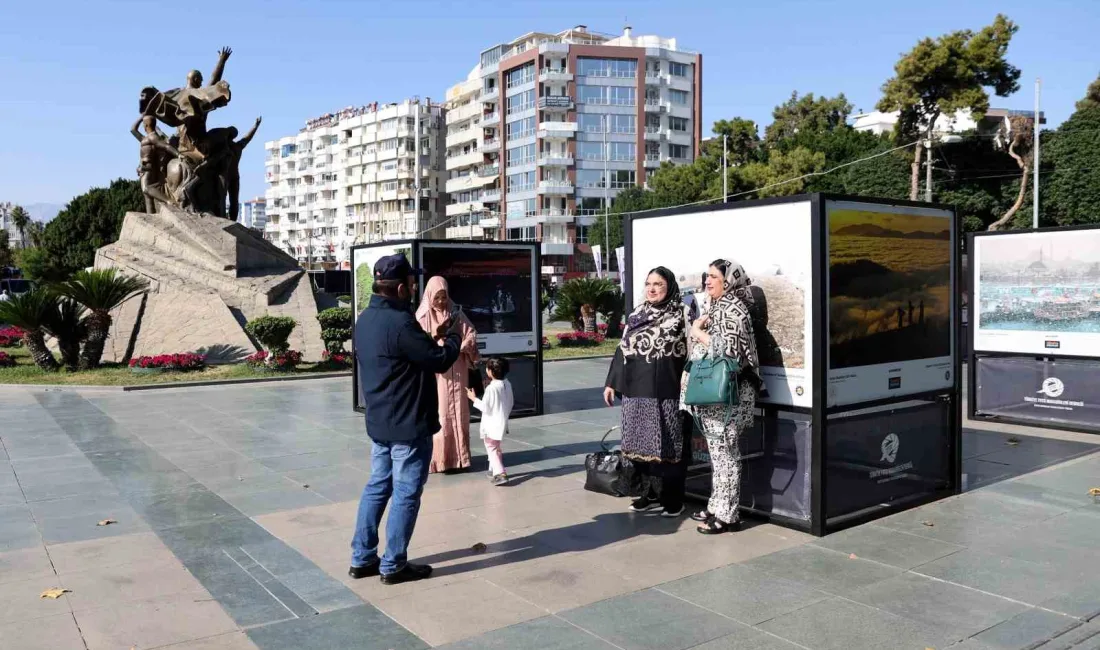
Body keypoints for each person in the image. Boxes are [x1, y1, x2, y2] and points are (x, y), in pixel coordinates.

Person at [349, 253, 461, 585]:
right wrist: (453, 337)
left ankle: (362, 558)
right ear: (400, 289)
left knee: (376, 487)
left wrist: (434, 335)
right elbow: (438, 361)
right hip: (408, 425)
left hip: (380, 422)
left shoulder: (365, 319)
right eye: (412, 284)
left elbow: (404, 355)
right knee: (406, 492)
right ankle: (394, 564)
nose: (414, 289)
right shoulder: (401, 323)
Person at [683, 259, 762, 534]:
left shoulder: (733, 309)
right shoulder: (719, 307)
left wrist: (696, 331)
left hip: (731, 395)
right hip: (718, 395)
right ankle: (717, 505)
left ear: (728, 281)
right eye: (707, 276)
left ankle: (728, 515)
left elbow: (726, 351)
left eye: (714, 276)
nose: (708, 281)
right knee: (718, 454)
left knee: (726, 454)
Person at [603, 267, 690, 517]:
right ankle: (649, 494)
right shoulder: (637, 313)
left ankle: (673, 499)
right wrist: (611, 383)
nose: (652, 289)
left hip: (667, 390)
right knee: (639, 446)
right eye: (649, 284)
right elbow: (623, 349)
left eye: (658, 284)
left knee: (667, 445)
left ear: (669, 286)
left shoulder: (682, 313)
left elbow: (692, 351)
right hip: (636, 391)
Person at [416, 276, 480, 473]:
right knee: (442, 414)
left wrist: (465, 345)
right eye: (438, 297)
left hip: (458, 371)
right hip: (438, 375)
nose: (442, 301)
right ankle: (441, 460)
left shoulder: (455, 313)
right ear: (429, 297)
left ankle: (461, 458)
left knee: (460, 413)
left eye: (444, 297)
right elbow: (419, 344)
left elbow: (471, 332)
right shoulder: (422, 317)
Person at [467, 357, 515, 486]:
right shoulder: (507, 384)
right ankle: (493, 469)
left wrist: (473, 398)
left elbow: (485, 407)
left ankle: (500, 473)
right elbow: (510, 403)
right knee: (496, 447)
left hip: (491, 425)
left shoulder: (491, 389)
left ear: (490, 371)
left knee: (491, 448)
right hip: (502, 422)